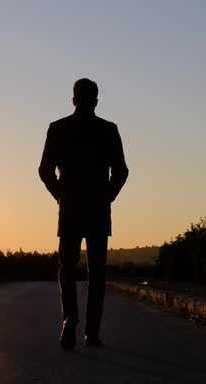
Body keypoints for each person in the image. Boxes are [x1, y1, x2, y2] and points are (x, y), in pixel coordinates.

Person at [38, 78, 129, 350]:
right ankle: (92, 332)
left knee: (66, 268)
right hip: (98, 210)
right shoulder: (108, 130)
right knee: (97, 271)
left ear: (74, 99)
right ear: (96, 100)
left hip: (70, 209)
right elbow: (121, 172)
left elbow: (44, 170)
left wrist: (59, 195)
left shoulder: (58, 128)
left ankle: (69, 322)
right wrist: (107, 196)